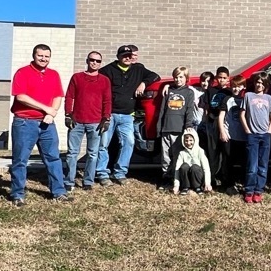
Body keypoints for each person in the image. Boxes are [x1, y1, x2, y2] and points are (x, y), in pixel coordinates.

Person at [9, 44, 68, 206]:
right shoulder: (23, 72)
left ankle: (59, 192)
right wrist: (45, 108)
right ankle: (17, 194)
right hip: (24, 123)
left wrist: (51, 112)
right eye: (40, 56)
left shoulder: (53, 74)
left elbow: (58, 95)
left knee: (53, 158)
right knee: (20, 159)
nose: (43, 59)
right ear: (34, 55)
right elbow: (21, 96)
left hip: (47, 124)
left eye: (46, 56)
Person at [96, 45, 160, 186]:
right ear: (118, 56)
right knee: (103, 144)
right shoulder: (107, 70)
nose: (127, 58)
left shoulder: (138, 69)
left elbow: (155, 76)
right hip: (110, 114)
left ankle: (120, 172)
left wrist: (143, 83)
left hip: (127, 116)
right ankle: (102, 173)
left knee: (129, 143)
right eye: (124, 55)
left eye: (129, 55)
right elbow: (97, 86)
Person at [63, 51, 112, 193]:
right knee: (72, 153)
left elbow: (107, 100)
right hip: (76, 122)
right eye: (92, 60)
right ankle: (69, 181)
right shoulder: (77, 77)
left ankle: (88, 182)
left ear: (100, 63)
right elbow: (69, 97)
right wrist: (68, 115)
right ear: (87, 60)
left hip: (96, 123)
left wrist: (106, 118)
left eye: (98, 61)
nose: (94, 63)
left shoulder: (104, 80)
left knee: (93, 153)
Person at [240, 72, 271, 203]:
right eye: (257, 82)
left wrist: (269, 131)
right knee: (252, 165)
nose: (259, 85)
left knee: (263, 165)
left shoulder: (269, 99)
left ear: (266, 85)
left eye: (262, 83)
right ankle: (249, 190)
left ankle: (258, 190)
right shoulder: (248, 96)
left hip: (265, 135)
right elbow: (242, 114)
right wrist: (247, 130)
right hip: (252, 135)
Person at [157, 66, 197, 187]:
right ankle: (166, 177)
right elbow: (162, 111)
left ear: (186, 78)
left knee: (177, 156)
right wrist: (159, 128)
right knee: (165, 156)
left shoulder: (189, 92)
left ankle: (176, 178)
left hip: (179, 130)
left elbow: (189, 110)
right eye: (175, 77)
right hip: (166, 128)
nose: (178, 79)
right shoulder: (168, 91)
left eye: (181, 77)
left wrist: (188, 125)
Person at [202, 66, 232, 186]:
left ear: (228, 79)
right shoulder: (210, 91)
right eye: (219, 77)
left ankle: (224, 178)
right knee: (212, 152)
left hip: (225, 124)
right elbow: (206, 108)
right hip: (212, 123)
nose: (222, 80)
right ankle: (211, 178)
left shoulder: (229, 92)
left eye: (224, 78)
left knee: (225, 153)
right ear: (216, 78)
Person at [217, 75, 247, 193]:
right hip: (229, 136)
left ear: (244, 87)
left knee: (244, 162)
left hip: (243, 136)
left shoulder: (247, 99)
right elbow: (221, 117)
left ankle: (243, 183)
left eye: (239, 86)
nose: (236, 89)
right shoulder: (227, 100)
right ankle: (228, 184)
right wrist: (222, 132)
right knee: (228, 161)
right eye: (234, 86)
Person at [172, 127, 212, 195]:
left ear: (195, 140)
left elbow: (206, 169)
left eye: (191, 140)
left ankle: (197, 187)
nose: (188, 143)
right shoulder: (182, 153)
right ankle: (185, 187)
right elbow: (177, 170)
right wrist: (176, 186)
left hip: (198, 177)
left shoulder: (200, 151)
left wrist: (207, 183)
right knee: (184, 166)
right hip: (186, 179)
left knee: (195, 167)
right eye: (186, 140)